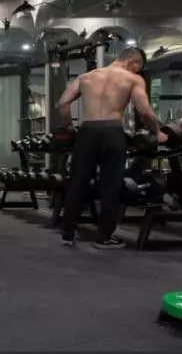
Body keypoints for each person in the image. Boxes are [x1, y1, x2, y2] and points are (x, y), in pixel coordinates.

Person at [56, 47, 160, 249]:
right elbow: (144, 111)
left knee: (78, 183)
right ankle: (104, 237)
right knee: (110, 186)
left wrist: (68, 126)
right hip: (112, 132)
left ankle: (68, 233)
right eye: (139, 68)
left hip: (87, 132)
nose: (138, 71)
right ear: (134, 63)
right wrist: (157, 131)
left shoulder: (87, 77)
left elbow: (63, 103)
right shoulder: (133, 79)